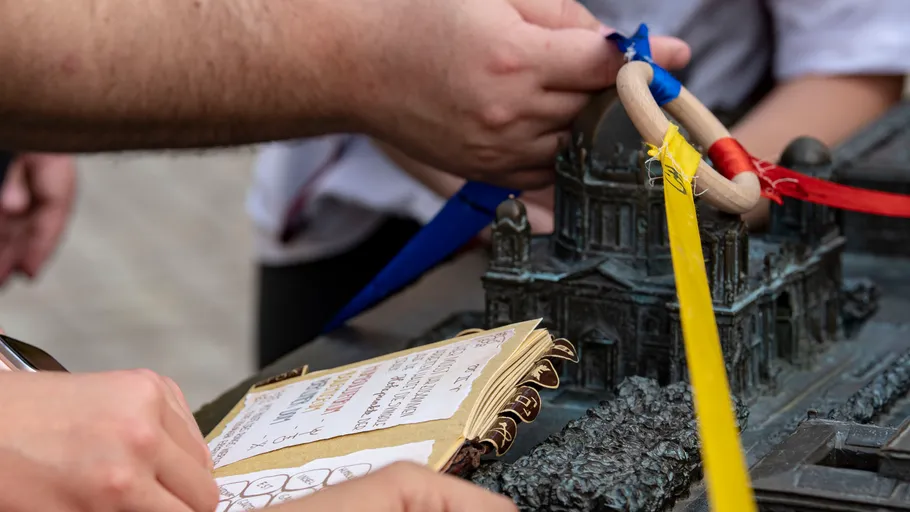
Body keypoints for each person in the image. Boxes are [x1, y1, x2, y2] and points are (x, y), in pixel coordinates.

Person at [248, 0, 910, 368]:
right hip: (376, 214)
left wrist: (680, 216)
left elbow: (850, 54)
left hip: (687, 220)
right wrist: (392, 95)